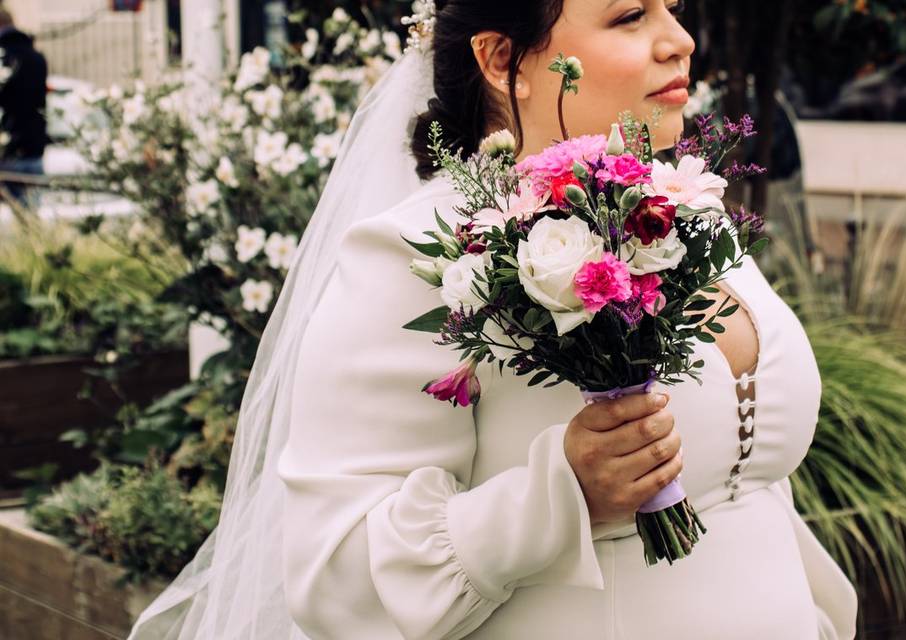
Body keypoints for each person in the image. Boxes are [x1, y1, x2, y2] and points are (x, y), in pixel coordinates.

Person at [127, 1, 859, 638]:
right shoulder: (420, 258)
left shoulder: (683, 208)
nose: (679, 40)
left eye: (670, 8)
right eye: (629, 16)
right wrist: (556, 497)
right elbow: (330, 576)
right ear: (500, 56)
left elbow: (743, 480)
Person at [0, 7, 48, 205]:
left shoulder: (4, 57)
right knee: (30, 215)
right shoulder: (36, 57)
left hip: (7, 146)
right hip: (34, 145)